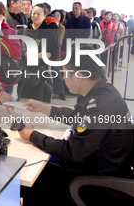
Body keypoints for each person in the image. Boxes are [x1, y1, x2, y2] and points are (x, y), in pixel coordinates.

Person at [17, 47, 133, 205]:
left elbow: (71, 151)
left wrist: (31, 135)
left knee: (28, 180)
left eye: (65, 73)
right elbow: (79, 118)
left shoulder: (100, 107)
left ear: (80, 76)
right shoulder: (102, 92)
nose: (63, 78)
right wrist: (45, 108)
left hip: (95, 185)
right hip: (96, 167)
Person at [17, 3, 59, 103]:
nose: (35, 16)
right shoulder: (24, 30)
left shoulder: (48, 32)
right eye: (34, 13)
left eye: (38, 14)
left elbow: (55, 52)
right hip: (23, 72)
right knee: (22, 102)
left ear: (45, 16)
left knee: (37, 104)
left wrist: (43, 55)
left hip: (40, 73)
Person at [0, 1, 22, 94]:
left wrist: (2, 41)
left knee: (5, 107)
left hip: (4, 78)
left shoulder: (10, 32)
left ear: (3, 17)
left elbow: (16, 55)